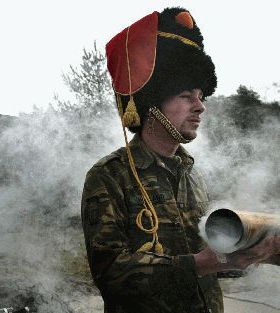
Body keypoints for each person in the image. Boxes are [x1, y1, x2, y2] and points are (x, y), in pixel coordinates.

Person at [81, 7, 279, 313]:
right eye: (187, 96)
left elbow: (209, 260)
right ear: (151, 102)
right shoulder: (109, 175)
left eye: (202, 96)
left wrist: (250, 256)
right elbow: (109, 274)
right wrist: (199, 264)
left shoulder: (192, 175)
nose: (200, 107)